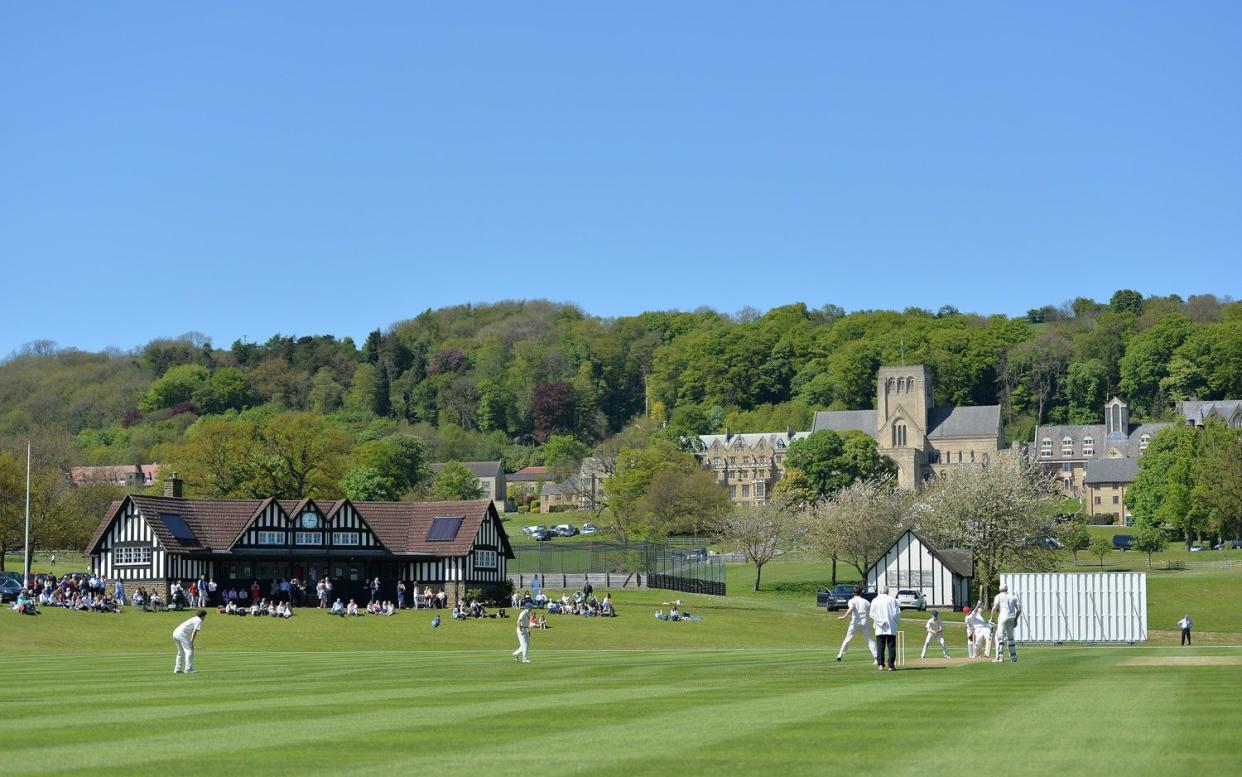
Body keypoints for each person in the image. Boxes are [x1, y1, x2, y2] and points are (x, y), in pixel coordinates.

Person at [836, 586, 877, 662]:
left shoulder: (852, 601)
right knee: (869, 640)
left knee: (848, 639)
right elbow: (871, 613)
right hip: (864, 622)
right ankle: (877, 657)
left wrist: (844, 617)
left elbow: (851, 608)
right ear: (861, 593)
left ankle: (840, 655)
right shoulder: (866, 602)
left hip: (855, 622)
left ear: (853, 593)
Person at [869, 585, 901, 671]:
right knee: (891, 646)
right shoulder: (892, 599)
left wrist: (881, 621)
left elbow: (872, 614)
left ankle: (881, 665)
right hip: (890, 626)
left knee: (880, 646)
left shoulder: (875, 600)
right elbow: (897, 613)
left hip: (880, 627)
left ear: (880, 592)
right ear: (888, 592)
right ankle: (891, 666)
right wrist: (892, 622)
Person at [990, 584, 1022, 663]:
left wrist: (991, 618)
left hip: (1002, 617)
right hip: (1011, 617)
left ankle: (1000, 657)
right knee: (1010, 638)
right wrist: (1015, 619)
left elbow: (994, 608)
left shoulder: (998, 596)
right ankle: (1013, 657)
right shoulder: (1013, 596)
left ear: (1000, 589)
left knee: (1000, 637)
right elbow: (1019, 609)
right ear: (1007, 589)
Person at [173, 609, 207, 674]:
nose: (205, 618)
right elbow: (194, 631)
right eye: (205, 616)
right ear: (203, 616)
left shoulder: (194, 618)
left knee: (181, 652)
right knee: (189, 650)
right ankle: (188, 669)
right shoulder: (198, 620)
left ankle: (177, 669)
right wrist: (191, 642)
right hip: (181, 634)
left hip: (175, 633)